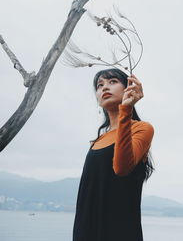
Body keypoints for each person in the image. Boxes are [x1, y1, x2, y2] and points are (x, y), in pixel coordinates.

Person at [72, 68, 154, 241]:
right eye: (99, 85)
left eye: (113, 82)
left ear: (128, 88)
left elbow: (121, 168)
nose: (104, 88)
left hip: (120, 232)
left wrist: (126, 109)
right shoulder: (97, 141)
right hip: (86, 231)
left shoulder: (142, 129)